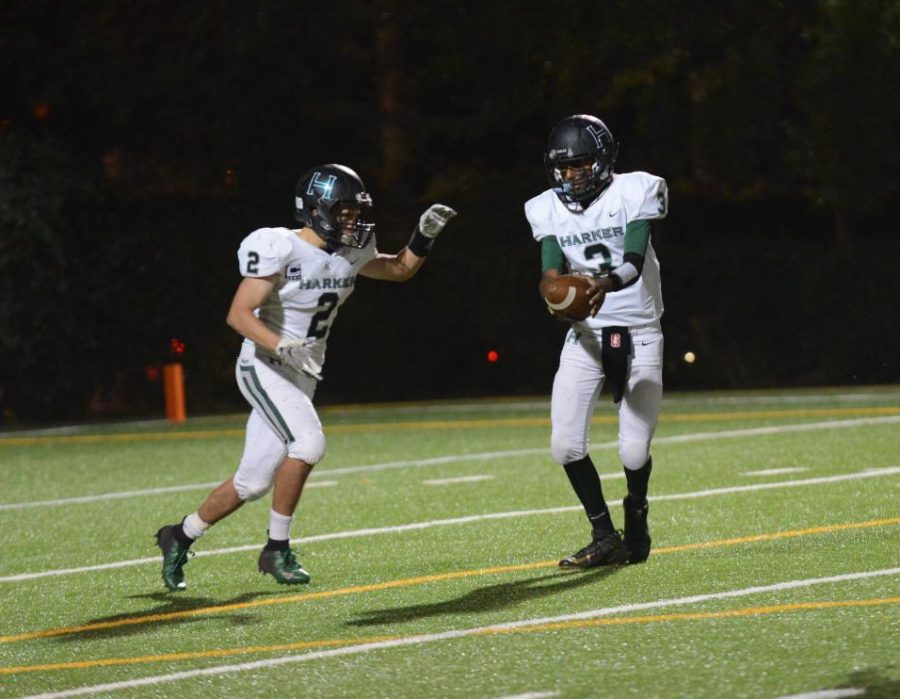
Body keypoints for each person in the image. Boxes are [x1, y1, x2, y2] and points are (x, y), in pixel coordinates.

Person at [155, 164, 456, 590]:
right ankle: (276, 549)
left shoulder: (351, 249)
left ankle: (179, 534)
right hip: (263, 363)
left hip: (303, 372)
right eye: (345, 211)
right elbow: (238, 314)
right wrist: (279, 344)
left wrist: (423, 237)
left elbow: (398, 270)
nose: (353, 220)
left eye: (356, 211)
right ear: (316, 211)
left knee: (253, 482)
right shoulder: (279, 246)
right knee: (310, 443)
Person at [524, 114, 668, 568]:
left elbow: (632, 260)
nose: (571, 175)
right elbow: (550, 273)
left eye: (581, 165)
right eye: (564, 168)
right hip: (585, 336)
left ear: (604, 161)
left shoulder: (637, 189)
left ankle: (637, 510)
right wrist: (555, 296)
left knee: (633, 449)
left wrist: (600, 285)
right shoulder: (544, 206)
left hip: (640, 331)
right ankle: (604, 533)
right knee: (564, 445)